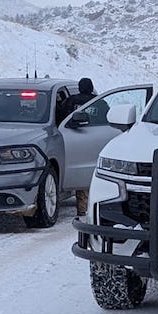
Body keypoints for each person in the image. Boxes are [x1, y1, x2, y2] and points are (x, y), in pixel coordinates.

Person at [61, 78, 97, 213]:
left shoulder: (70, 101)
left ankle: (83, 208)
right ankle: (88, 209)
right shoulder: (98, 102)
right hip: (94, 141)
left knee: (76, 171)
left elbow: (60, 117)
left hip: (70, 140)